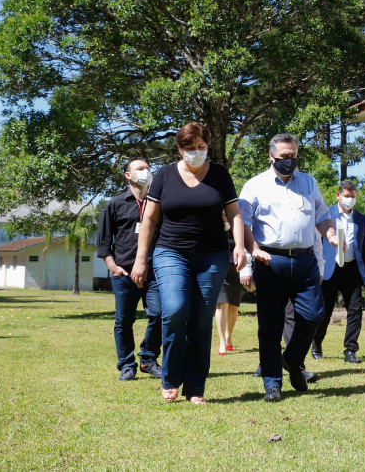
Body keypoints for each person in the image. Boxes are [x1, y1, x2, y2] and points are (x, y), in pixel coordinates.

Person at [131, 122, 247, 404]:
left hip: (212, 256)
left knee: (200, 320)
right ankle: (170, 378)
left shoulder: (219, 175)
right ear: (180, 149)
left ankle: (195, 387)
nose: (197, 153)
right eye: (191, 148)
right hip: (171, 252)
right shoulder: (165, 175)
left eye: (202, 147)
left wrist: (240, 246)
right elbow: (149, 219)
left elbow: (235, 213)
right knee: (175, 310)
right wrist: (140, 260)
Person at [238, 133, 337, 403]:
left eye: (293, 156)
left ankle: (292, 360)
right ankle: (272, 383)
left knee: (314, 314)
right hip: (270, 261)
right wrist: (250, 255)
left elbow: (323, 216)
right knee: (270, 325)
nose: (289, 162)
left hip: (305, 260)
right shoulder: (255, 186)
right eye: (284, 157)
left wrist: (329, 234)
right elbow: (243, 223)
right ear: (271, 156)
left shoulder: (308, 182)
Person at [96, 158, 162, 381]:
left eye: (147, 168)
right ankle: (126, 364)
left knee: (160, 314)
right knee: (124, 321)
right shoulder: (115, 204)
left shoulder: (160, 202)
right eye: (140, 169)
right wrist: (112, 267)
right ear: (128, 175)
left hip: (154, 270)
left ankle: (148, 359)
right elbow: (104, 241)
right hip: (124, 272)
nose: (146, 171)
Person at [313, 180, 365, 363]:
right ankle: (316, 344)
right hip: (330, 269)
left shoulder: (361, 219)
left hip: (353, 270)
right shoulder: (326, 215)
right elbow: (317, 243)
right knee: (325, 312)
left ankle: (350, 349)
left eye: (353, 197)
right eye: (347, 196)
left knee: (355, 311)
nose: (350, 200)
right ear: (338, 195)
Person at [216, 216, 253, 355]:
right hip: (220, 270)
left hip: (237, 271)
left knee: (233, 308)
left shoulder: (240, 226)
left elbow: (248, 248)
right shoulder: (216, 226)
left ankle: (228, 336)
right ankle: (221, 342)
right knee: (221, 304)